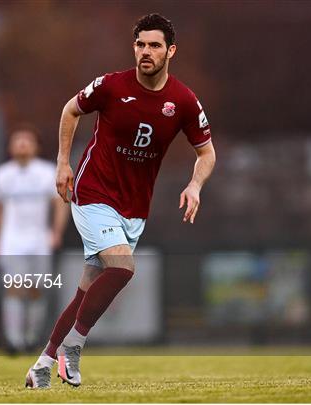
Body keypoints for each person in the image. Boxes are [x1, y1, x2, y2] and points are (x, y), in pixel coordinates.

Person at [25, 13, 216, 388]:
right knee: (124, 268)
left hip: (133, 207)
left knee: (88, 288)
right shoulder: (112, 86)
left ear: (170, 51)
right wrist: (63, 163)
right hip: (93, 191)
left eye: (155, 45)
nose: (146, 52)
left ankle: (42, 365)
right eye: (140, 44)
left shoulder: (183, 100)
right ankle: (73, 348)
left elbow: (206, 153)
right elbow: (70, 110)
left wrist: (195, 185)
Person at [0, 125, 69, 354]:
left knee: (35, 290)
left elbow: (61, 204)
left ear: (36, 146)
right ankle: (13, 340)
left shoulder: (47, 172)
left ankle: (31, 338)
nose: (22, 144)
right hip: (11, 240)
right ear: (11, 146)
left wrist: (56, 233)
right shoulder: (1, 174)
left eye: (27, 140)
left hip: (38, 240)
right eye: (18, 140)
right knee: (14, 288)